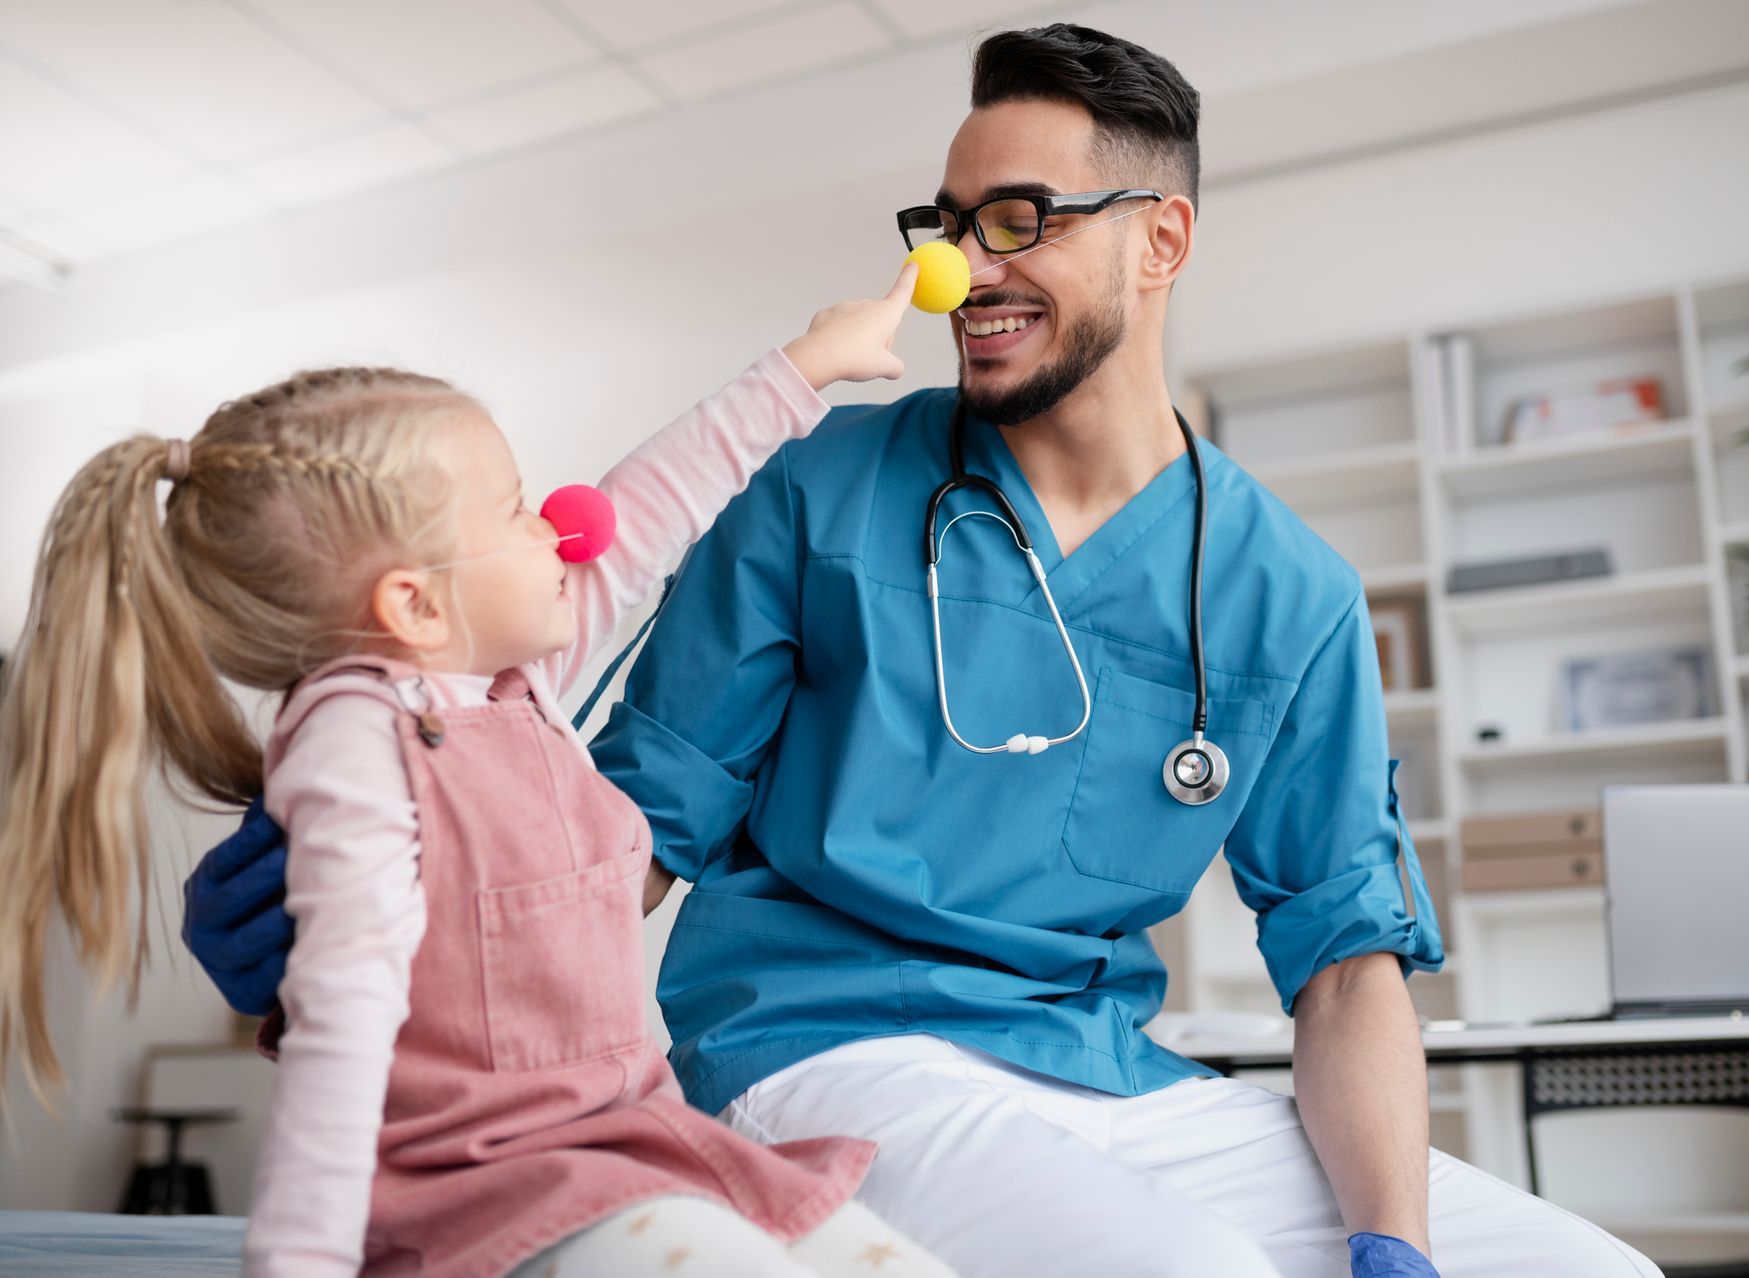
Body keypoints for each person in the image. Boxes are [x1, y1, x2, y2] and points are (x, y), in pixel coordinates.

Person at [183, 23, 1664, 1278]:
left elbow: (1344, 963)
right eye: (949, 222)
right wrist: (362, 935)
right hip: (817, 1043)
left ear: (1163, 239)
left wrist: (1389, 1241)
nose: (966, 263)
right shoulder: (821, 488)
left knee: (1596, 1270)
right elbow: (626, 833)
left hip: (1109, 1074)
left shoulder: (1293, 591)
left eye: (1020, 217)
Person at [0, 268, 962, 1278]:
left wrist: (807, 365)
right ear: (414, 607)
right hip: (482, 1190)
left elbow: (648, 508)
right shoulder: (358, 742)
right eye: (514, 510)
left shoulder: (517, 684)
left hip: (631, 1143)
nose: (563, 521)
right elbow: (341, 1032)